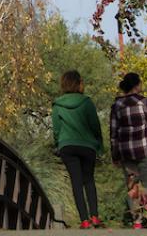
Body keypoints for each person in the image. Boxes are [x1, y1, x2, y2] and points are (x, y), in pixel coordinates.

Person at [110, 72, 147, 222]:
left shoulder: (116, 106)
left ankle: (137, 221)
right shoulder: (145, 102)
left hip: (126, 153)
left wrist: (115, 156)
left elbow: (113, 134)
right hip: (146, 149)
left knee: (132, 185)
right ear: (137, 85)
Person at [51, 70, 104, 228]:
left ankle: (84, 220)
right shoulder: (87, 102)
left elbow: (56, 129)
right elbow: (95, 126)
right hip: (87, 146)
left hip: (67, 146)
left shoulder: (57, 104)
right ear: (78, 83)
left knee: (76, 182)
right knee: (89, 180)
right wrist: (99, 145)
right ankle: (95, 217)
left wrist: (58, 144)